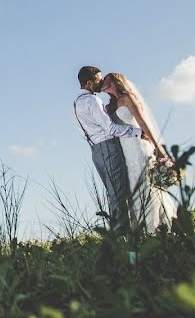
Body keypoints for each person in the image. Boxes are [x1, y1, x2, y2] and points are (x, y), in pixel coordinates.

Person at [101, 72, 177, 232]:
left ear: (114, 81)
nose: (102, 81)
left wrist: (158, 148)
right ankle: (140, 227)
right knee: (132, 185)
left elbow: (143, 121)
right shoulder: (109, 106)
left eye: (105, 78)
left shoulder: (128, 98)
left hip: (138, 146)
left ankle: (155, 226)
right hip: (124, 150)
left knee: (146, 184)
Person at [73, 66, 146, 229]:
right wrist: (138, 132)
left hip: (95, 152)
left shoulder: (76, 103)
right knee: (119, 196)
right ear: (89, 82)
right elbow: (111, 129)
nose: (100, 83)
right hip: (108, 149)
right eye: (98, 80)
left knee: (112, 194)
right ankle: (123, 238)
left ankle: (119, 235)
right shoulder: (93, 101)